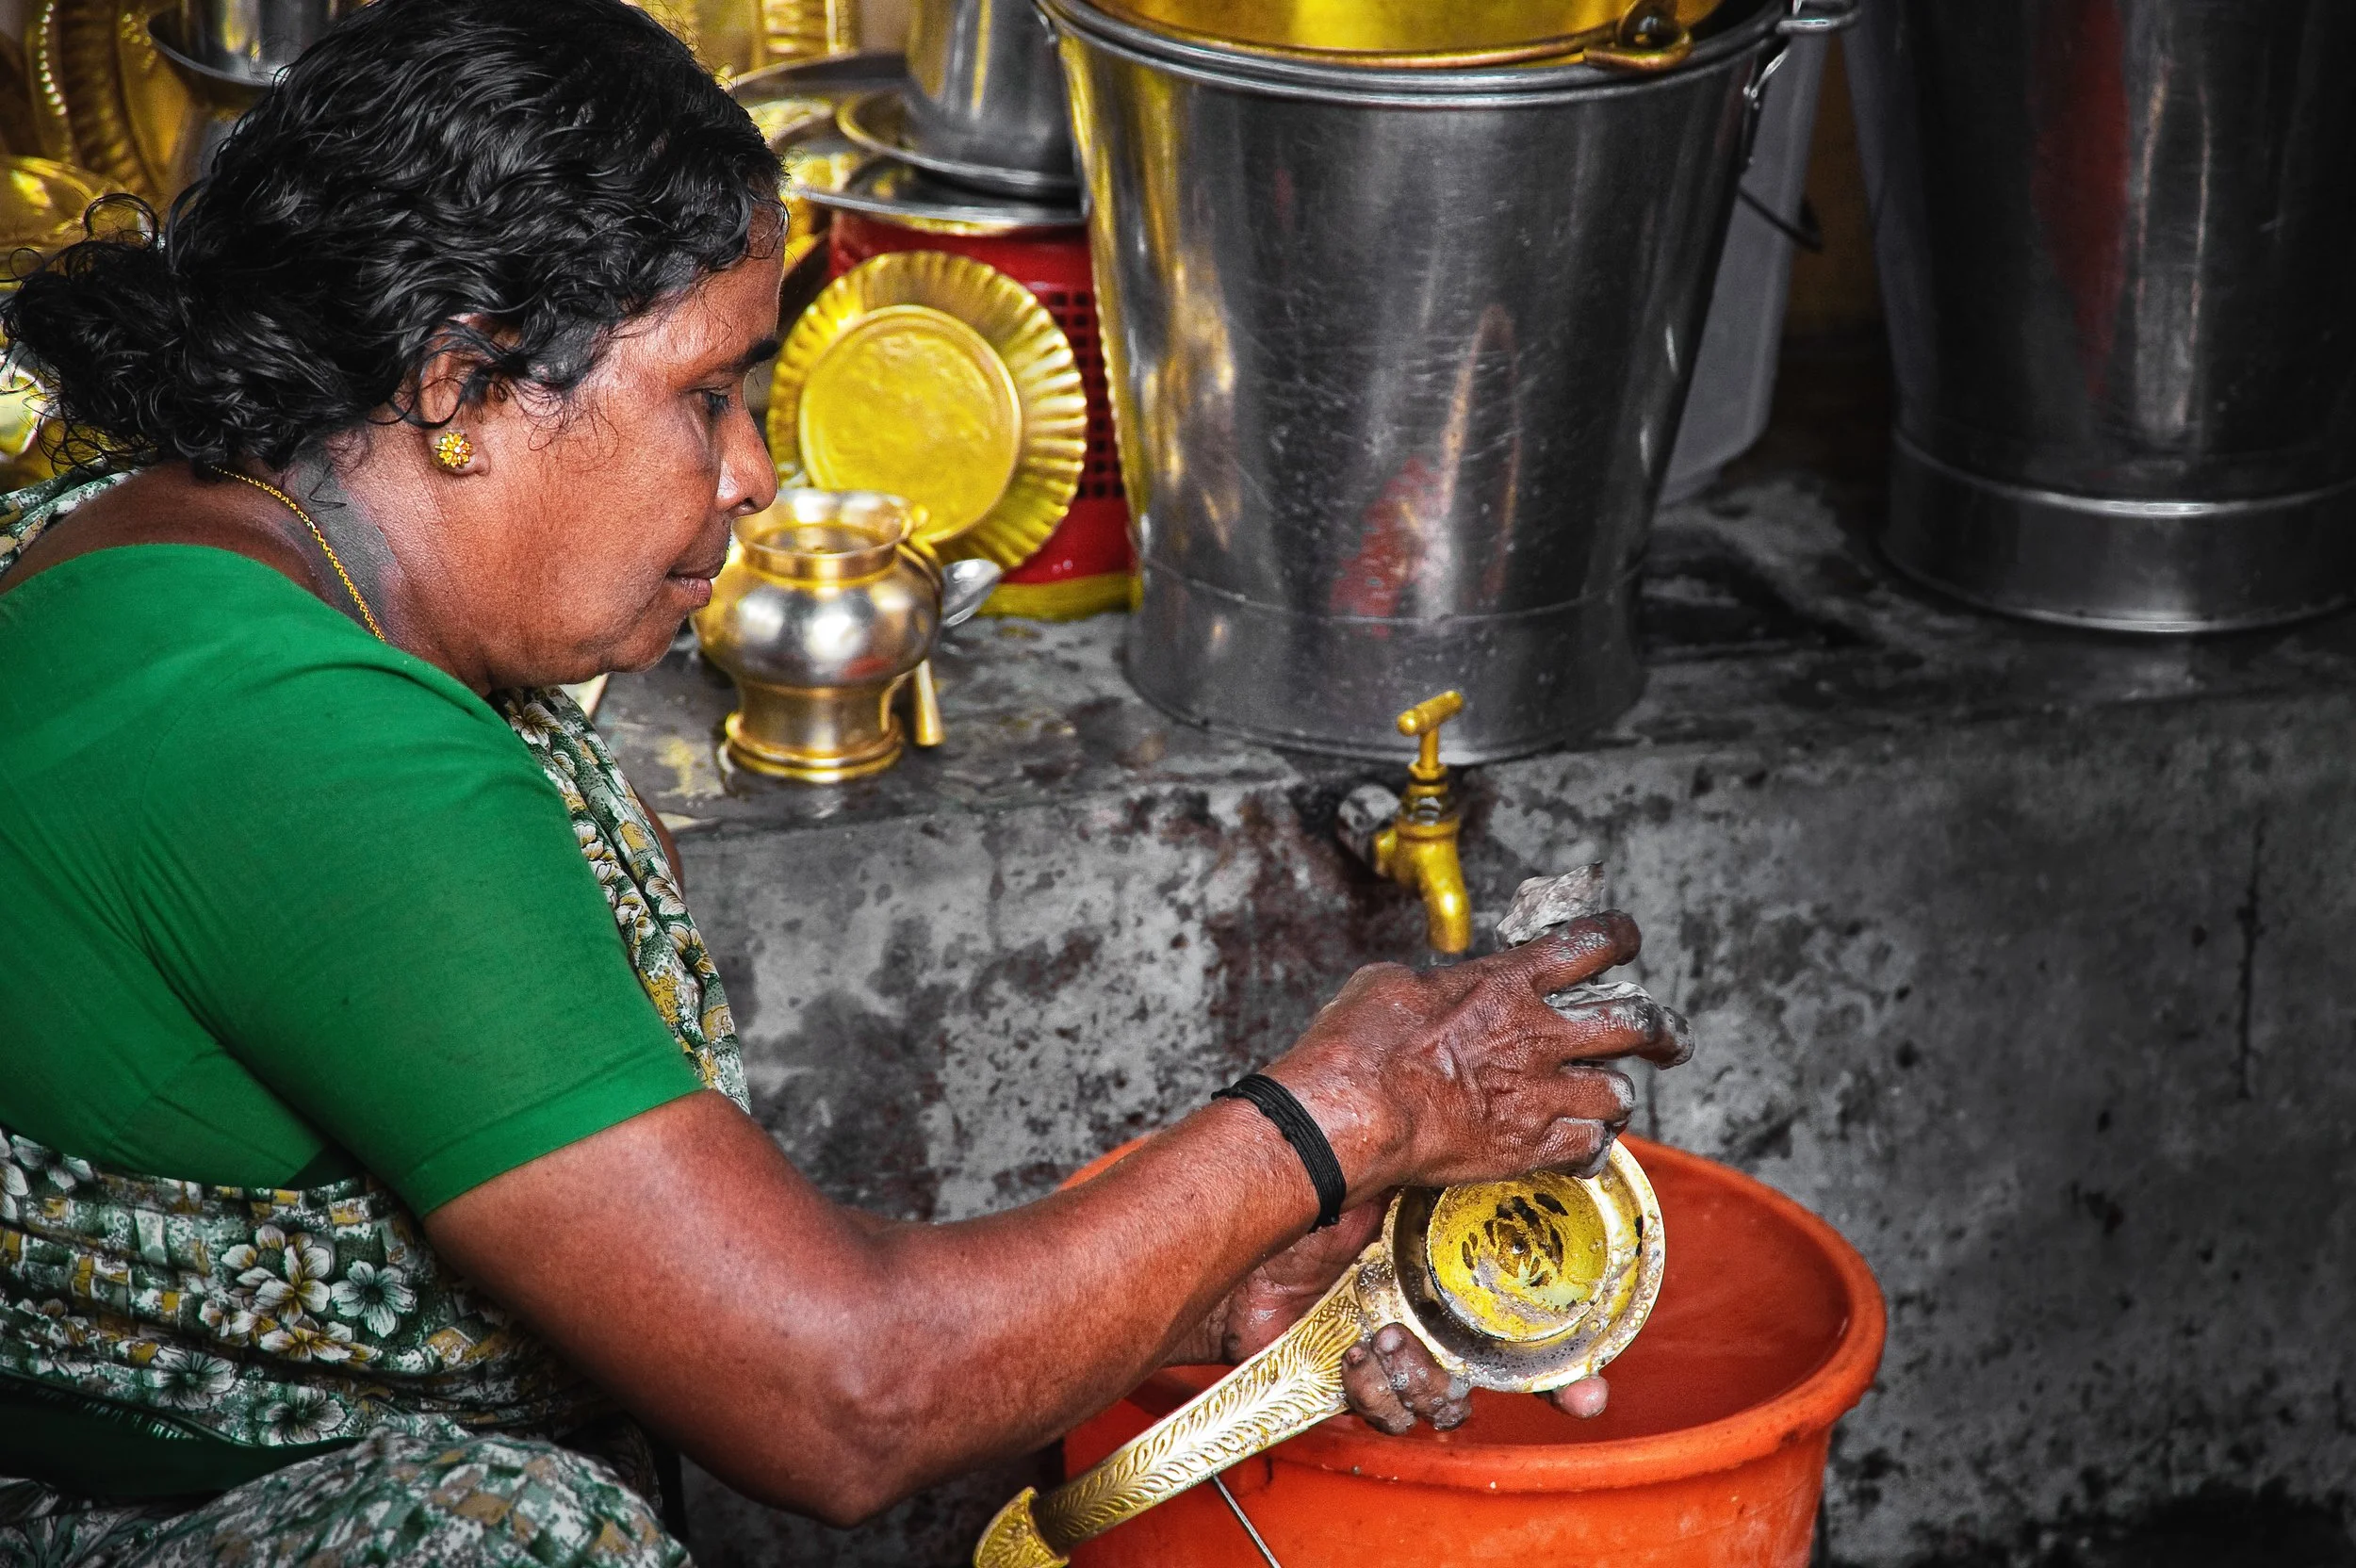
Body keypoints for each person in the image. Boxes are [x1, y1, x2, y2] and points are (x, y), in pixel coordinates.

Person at [0, 2, 1692, 1562]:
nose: (752, 475)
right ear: (461, 382)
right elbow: (839, 1396)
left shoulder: (178, 550)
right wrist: (1352, 1111)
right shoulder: (294, 736)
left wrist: (1196, 1270)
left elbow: (678, 1250)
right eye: (708, 394)